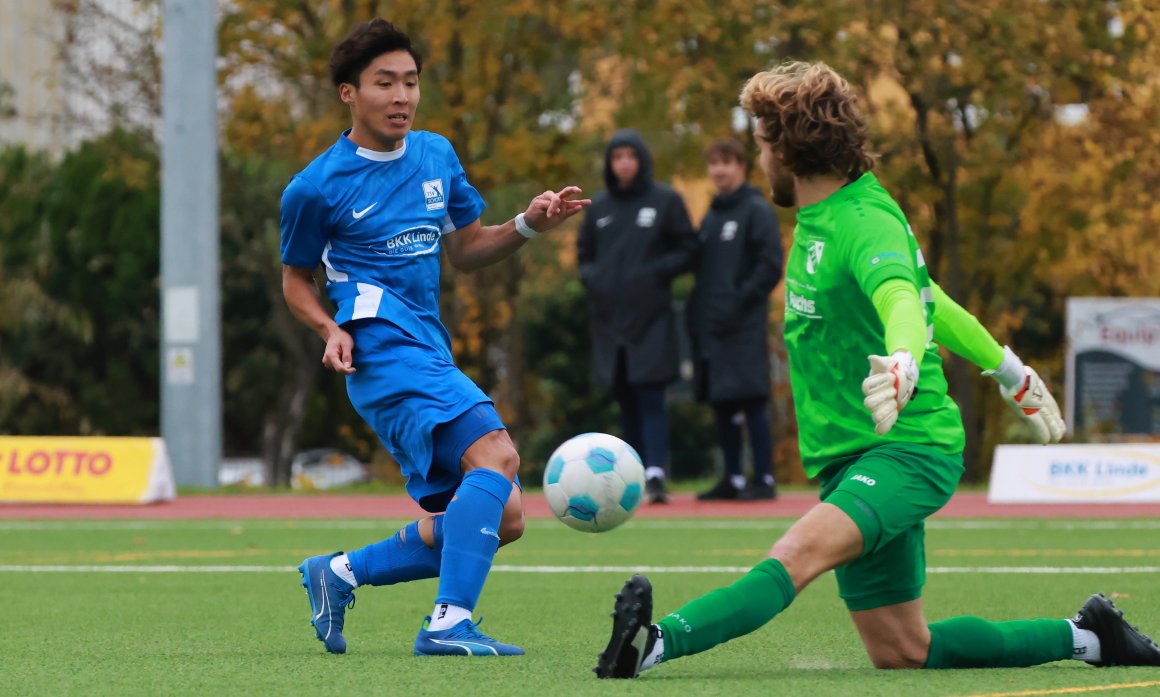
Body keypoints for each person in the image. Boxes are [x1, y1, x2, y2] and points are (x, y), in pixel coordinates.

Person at [595, 61, 1160, 678]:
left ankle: (652, 644)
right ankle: (1089, 637)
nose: (760, 161)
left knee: (797, 554)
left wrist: (902, 358)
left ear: (785, 148)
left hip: (909, 448)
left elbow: (899, 298)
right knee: (902, 651)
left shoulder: (863, 220)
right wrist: (1007, 368)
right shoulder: (828, 215)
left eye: (761, 144)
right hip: (856, 452)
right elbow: (928, 297)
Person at [280, 19, 588, 657]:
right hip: (379, 347)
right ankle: (449, 623)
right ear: (348, 94)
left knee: (504, 518)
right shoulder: (314, 187)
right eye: (384, 83)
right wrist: (329, 327)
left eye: (411, 82)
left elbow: (468, 250)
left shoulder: (437, 155)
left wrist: (528, 225)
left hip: (427, 347)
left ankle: (338, 573)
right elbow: (295, 280)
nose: (402, 96)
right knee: (498, 456)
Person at [577, 129, 697, 504]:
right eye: (617, 156)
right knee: (625, 398)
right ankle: (627, 476)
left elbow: (688, 248)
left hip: (652, 321)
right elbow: (584, 257)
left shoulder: (664, 201)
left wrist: (655, 273)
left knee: (651, 397)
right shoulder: (598, 208)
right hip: (611, 323)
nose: (624, 163)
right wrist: (595, 281)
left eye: (631, 155)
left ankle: (656, 474)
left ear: (642, 160)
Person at [688, 137, 784, 502]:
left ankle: (764, 477)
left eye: (726, 163)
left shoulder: (756, 210)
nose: (718, 170)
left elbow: (770, 264)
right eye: (713, 163)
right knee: (722, 402)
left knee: (751, 399)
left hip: (744, 323)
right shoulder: (711, 216)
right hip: (712, 326)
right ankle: (732, 477)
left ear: (741, 167)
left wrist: (740, 300)